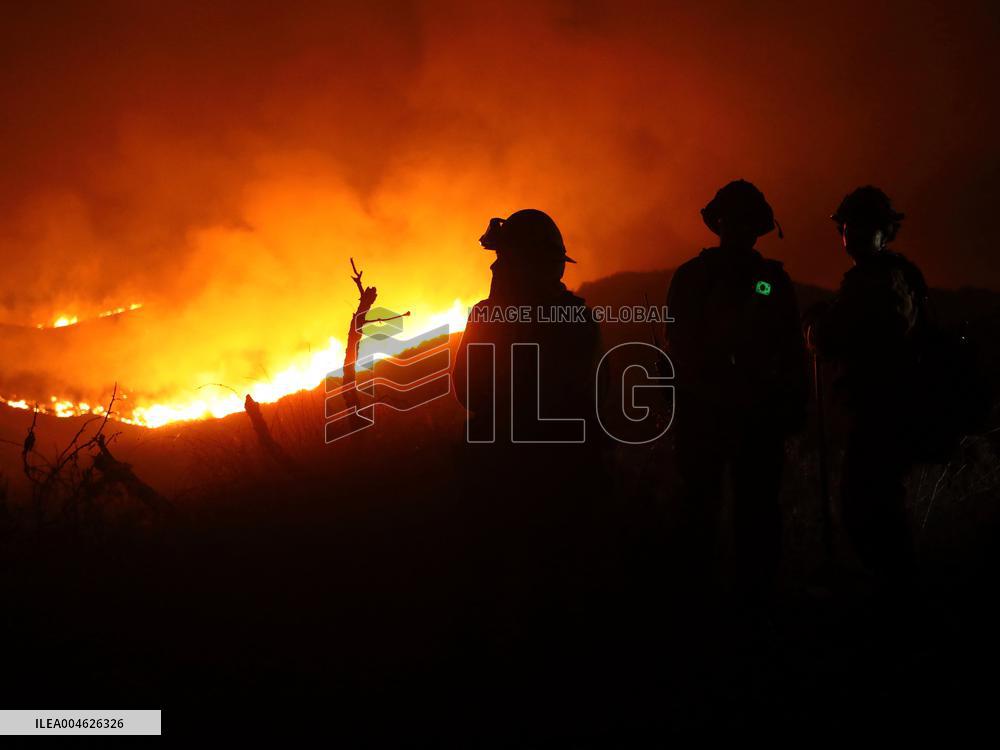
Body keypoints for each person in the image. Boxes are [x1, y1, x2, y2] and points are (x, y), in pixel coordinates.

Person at [666, 180, 808, 602]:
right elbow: (683, 343)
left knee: (734, 510)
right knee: (719, 510)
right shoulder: (754, 279)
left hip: (733, 414)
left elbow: (789, 347)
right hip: (727, 412)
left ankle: (730, 600)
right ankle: (731, 600)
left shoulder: (702, 277)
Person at [809, 186, 928, 580]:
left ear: (884, 231)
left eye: (864, 226)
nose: (853, 234)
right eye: (848, 226)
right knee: (876, 510)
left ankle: (902, 607)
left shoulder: (879, 280)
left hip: (884, 412)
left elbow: (842, 338)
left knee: (866, 512)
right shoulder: (892, 276)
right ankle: (898, 603)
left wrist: (817, 329)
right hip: (884, 410)